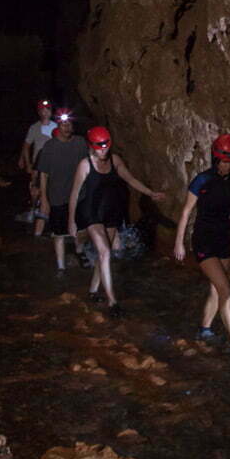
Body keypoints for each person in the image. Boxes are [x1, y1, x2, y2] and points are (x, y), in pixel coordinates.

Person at [173, 134, 230, 359]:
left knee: (215, 288)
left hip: (223, 239)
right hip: (204, 240)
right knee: (225, 289)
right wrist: (179, 242)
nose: (228, 165)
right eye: (224, 161)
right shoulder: (202, 180)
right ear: (215, 159)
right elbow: (186, 211)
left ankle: (204, 329)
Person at [68, 126, 165, 318]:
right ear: (92, 146)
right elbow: (75, 193)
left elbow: (130, 179)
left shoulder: (115, 160)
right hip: (91, 213)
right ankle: (112, 301)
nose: (103, 150)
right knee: (104, 252)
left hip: (111, 212)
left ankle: (93, 290)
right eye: (99, 147)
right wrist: (71, 220)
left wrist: (150, 193)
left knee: (105, 253)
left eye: (105, 146)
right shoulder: (85, 165)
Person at [35, 108, 87, 276]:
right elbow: (43, 174)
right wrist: (44, 198)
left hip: (80, 195)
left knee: (81, 230)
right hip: (58, 195)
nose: (67, 127)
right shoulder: (50, 147)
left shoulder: (80, 143)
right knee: (59, 233)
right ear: (58, 125)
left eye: (69, 123)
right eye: (63, 124)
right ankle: (61, 266)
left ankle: (79, 252)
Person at [18, 99, 57, 235]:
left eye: (48, 110)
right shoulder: (34, 128)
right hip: (37, 165)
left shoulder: (57, 127)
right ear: (39, 112)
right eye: (43, 110)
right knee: (35, 190)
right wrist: (27, 163)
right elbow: (27, 145)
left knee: (50, 191)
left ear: (51, 111)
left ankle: (46, 214)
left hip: (52, 166)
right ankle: (33, 209)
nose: (45, 112)